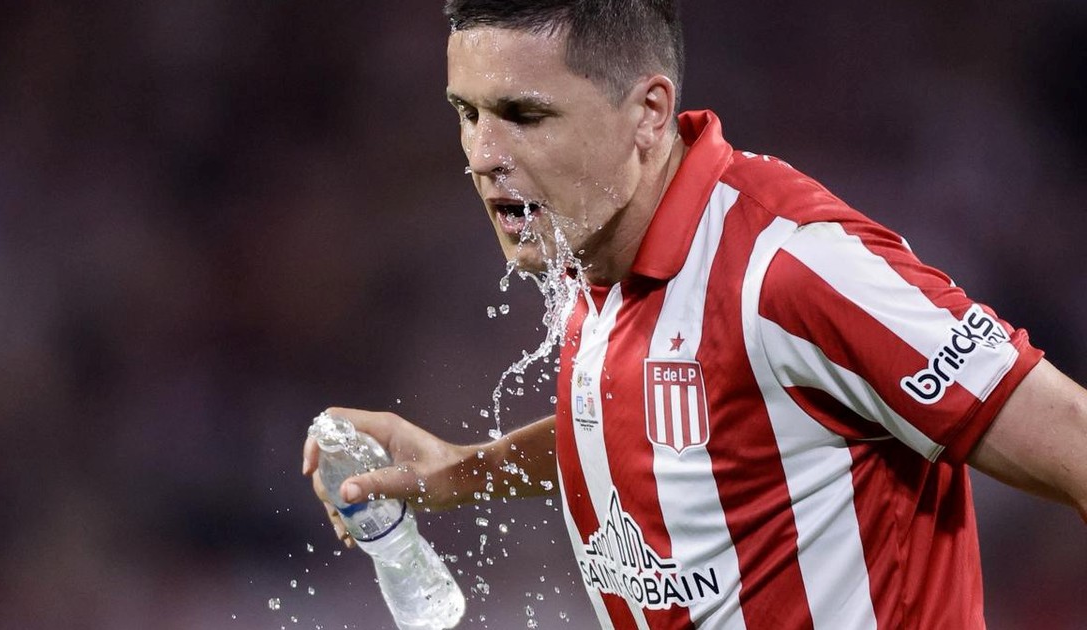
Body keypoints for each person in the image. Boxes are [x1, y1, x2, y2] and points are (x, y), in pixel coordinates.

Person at [302, 1, 1087, 627]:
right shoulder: (601, 248)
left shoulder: (792, 268)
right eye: (467, 112)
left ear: (648, 112)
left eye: (524, 115)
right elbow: (686, 429)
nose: (482, 154)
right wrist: (461, 470)